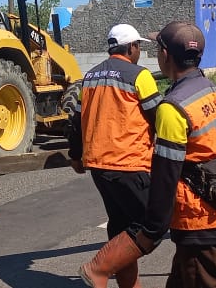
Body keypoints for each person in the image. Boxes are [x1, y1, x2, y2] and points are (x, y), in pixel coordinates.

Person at [79, 22, 216, 288]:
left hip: (201, 223)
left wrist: (152, 230)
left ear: (165, 54)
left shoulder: (173, 107)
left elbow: (165, 176)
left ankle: (100, 268)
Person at [69, 24, 161, 288]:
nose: (139, 51)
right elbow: (158, 117)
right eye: (138, 46)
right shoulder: (139, 75)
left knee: (121, 227)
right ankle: (97, 269)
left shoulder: (90, 77)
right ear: (131, 47)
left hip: (99, 166)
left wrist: (76, 155)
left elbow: (75, 121)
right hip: (129, 162)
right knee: (149, 224)